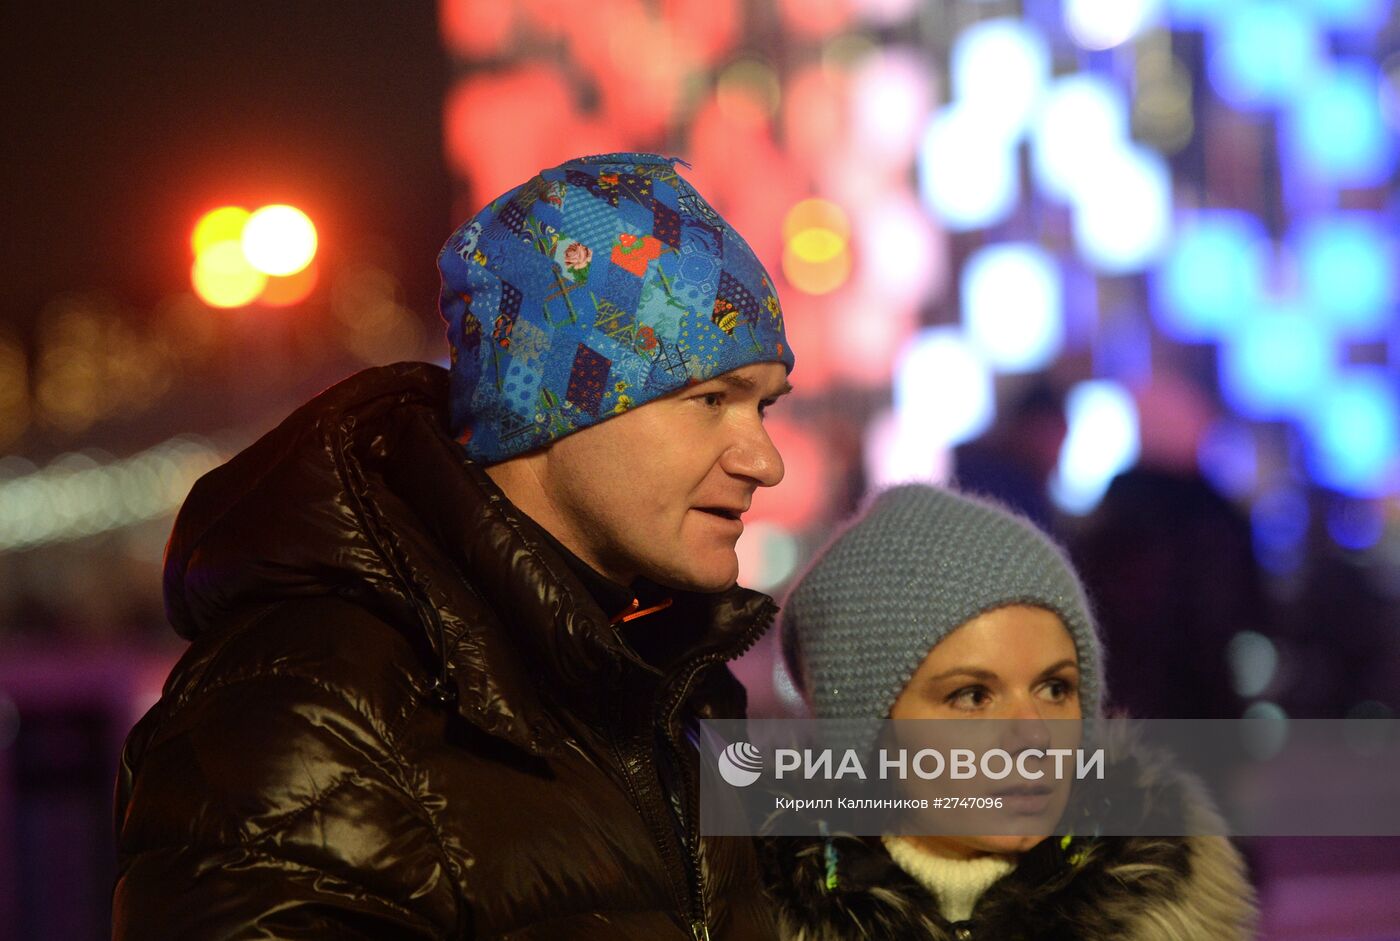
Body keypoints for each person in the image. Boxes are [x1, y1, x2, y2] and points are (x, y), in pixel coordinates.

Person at [113, 153, 794, 940]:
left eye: (764, 408)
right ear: (551, 406)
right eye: (708, 399)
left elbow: (937, 805)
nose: (765, 461)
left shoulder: (668, 683)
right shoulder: (306, 715)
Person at [766, 484, 1257, 940]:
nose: (1035, 735)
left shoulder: (1169, 902)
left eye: (1054, 687)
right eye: (973, 696)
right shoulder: (744, 908)